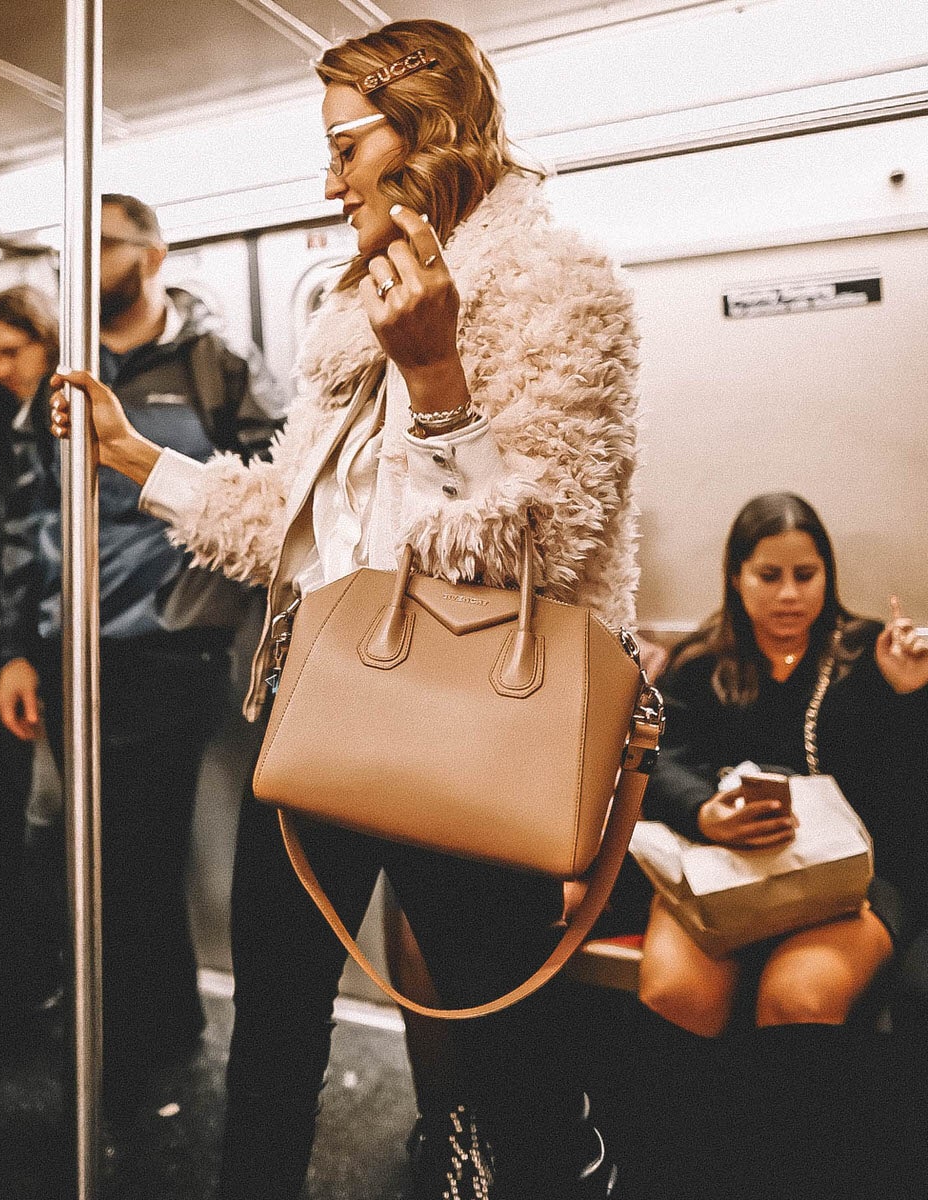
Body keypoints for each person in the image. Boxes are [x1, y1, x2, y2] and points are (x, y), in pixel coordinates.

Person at [47, 20, 640, 1199]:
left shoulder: (563, 292)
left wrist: (438, 384)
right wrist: (132, 458)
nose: (327, 178)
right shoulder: (351, 308)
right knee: (270, 1032)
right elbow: (295, 524)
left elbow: (536, 551)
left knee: (505, 1054)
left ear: (423, 135)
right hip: (321, 713)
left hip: (474, 734)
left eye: (344, 144)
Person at [0, 195, 286, 1118]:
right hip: (67, 646)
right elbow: (28, 514)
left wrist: (224, 609)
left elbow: (273, 493)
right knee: (83, 845)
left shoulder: (218, 361)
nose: (80, 259)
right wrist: (15, 646)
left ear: (153, 253)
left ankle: (142, 1039)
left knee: (137, 849)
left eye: (102, 243)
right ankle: (132, 1027)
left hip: (170, 643)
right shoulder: (67, 369)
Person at [636, 491, 928, 1198]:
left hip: (850, 880)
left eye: (807, 574)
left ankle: (786, 1175)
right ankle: (685, 1171)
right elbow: (656, 763)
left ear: (829, 575)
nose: (790, 593)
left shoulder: (868, 656)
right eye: (770, 575)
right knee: (677, 990)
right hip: (722, 869)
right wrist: (706, 811)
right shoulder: (704, 660)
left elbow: (902, 800)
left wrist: (905, 697)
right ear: (737, 576)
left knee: (799, 995)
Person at [0, 285, 60, 1025]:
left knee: (25, 814)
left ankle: (25, 974)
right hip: (0, 638)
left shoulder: (35, 421)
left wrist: (14, 644)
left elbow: (25, 541)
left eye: (10, 351)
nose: (0, 370)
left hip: (25, 639)